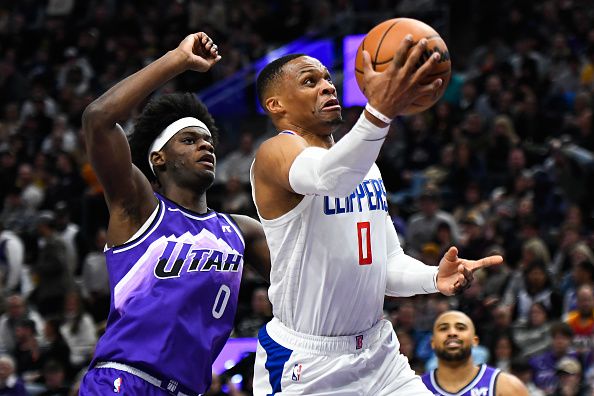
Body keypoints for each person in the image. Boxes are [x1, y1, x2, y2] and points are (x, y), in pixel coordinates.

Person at [251, 36, 503, 394]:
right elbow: (328, 178)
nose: (326, 86)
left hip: (379, 354)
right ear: (275, 105)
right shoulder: (274, 152)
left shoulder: (365, 169)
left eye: (327, 79)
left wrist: (434, 278)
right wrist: (380, 111)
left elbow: (386, 266)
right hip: (306, 361)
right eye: (310, 82)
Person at [78, 32, 270, 395]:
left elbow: (300, 290)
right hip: (123, 380)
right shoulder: (138, 207)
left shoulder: (242, 231)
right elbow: (98, 119)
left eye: (208, 140)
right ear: (158, 159)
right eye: (190, 140)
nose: (205, 145)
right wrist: (177, 60)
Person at [422, 310, 528, 396]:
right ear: (433, 343)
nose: (452, 333)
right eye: (443, 328)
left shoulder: (506, 386)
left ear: (475, 340)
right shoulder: (416, 388)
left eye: (460, 328)